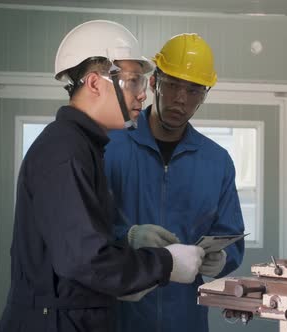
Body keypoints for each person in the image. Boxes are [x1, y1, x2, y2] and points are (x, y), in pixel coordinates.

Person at [0, 20, 206, 332]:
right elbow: (85, 260)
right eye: (134, 81)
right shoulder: (64, 150)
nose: (142, 96)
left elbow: (79, 249)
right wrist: (166, 263)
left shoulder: (83, 146)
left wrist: (127, 246)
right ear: (95, 83)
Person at [104, 33, 245, 332]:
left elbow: (232, 237)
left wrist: (221, 260)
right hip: (117, 316)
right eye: (173, 85)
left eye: (193, 90)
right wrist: (125, 236)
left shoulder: (216, 162)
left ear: (204, 95)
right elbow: (81, 231)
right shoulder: (110, 145)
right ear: (154, 82)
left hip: (185, 319)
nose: (181, 98)